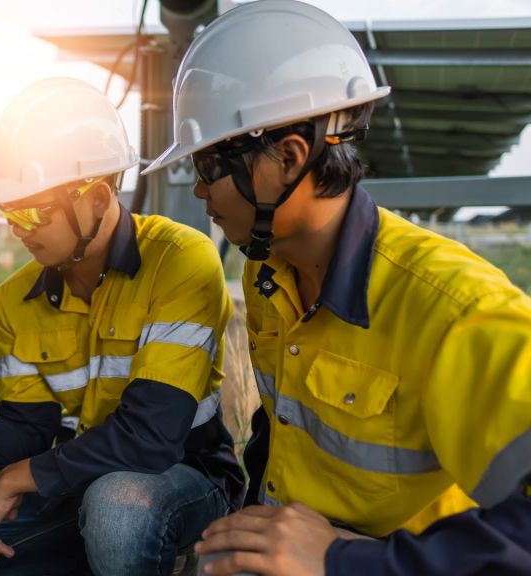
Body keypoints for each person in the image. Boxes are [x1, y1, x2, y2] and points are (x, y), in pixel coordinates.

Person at [142, 1, 531, 574]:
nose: (199, 192)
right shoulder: (268, 270)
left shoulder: (456, 311)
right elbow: (279, 431)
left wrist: (343, 561)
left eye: (206, 166)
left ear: (289, 158)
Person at [0, 77, 244, 575]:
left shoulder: (181, 260)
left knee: (117, 510)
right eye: (9, 210)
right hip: (76, 480)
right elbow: (28, 436)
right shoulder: (16, 300)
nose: (18, 228)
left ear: (96, 199)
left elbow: (150, 437)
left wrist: (15, 479)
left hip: (182, 476)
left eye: (33, 210)